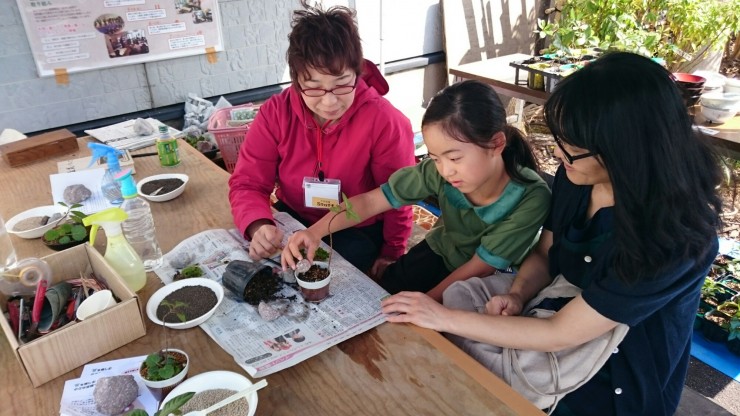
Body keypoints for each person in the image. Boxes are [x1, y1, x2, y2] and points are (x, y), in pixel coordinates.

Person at [379, 52, 722, 415]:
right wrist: (519, 292)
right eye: (559, 142)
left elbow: (561, 332)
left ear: (626, 152)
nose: (559, 156)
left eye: (571, 151)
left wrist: (440, 316)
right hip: (555, 322)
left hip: (618, 375)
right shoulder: (576, 179)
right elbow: (544, 254)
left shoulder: (678, 238)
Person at [283, 80, 551, 301]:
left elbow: (482, 265)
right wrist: (315, 231)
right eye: (435, 158)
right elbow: (370, 202)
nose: (445, 171)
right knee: (381, 295)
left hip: (490, 275)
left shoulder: (531, 197)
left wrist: (428, 301)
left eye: (455, 158)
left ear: (496, 144)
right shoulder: (438, 172)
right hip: (439, 251)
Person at [228, 1, 415, 275]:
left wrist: (392, 251)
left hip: (355, 230)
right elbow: (247, 182)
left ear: (358, 71)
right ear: (296, 81)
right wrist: (258, 225)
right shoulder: (275, 113)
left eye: (341, 84)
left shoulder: (385, 121)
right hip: (293, 218)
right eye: (314, 87)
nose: (329, 102)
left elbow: (398, 195)